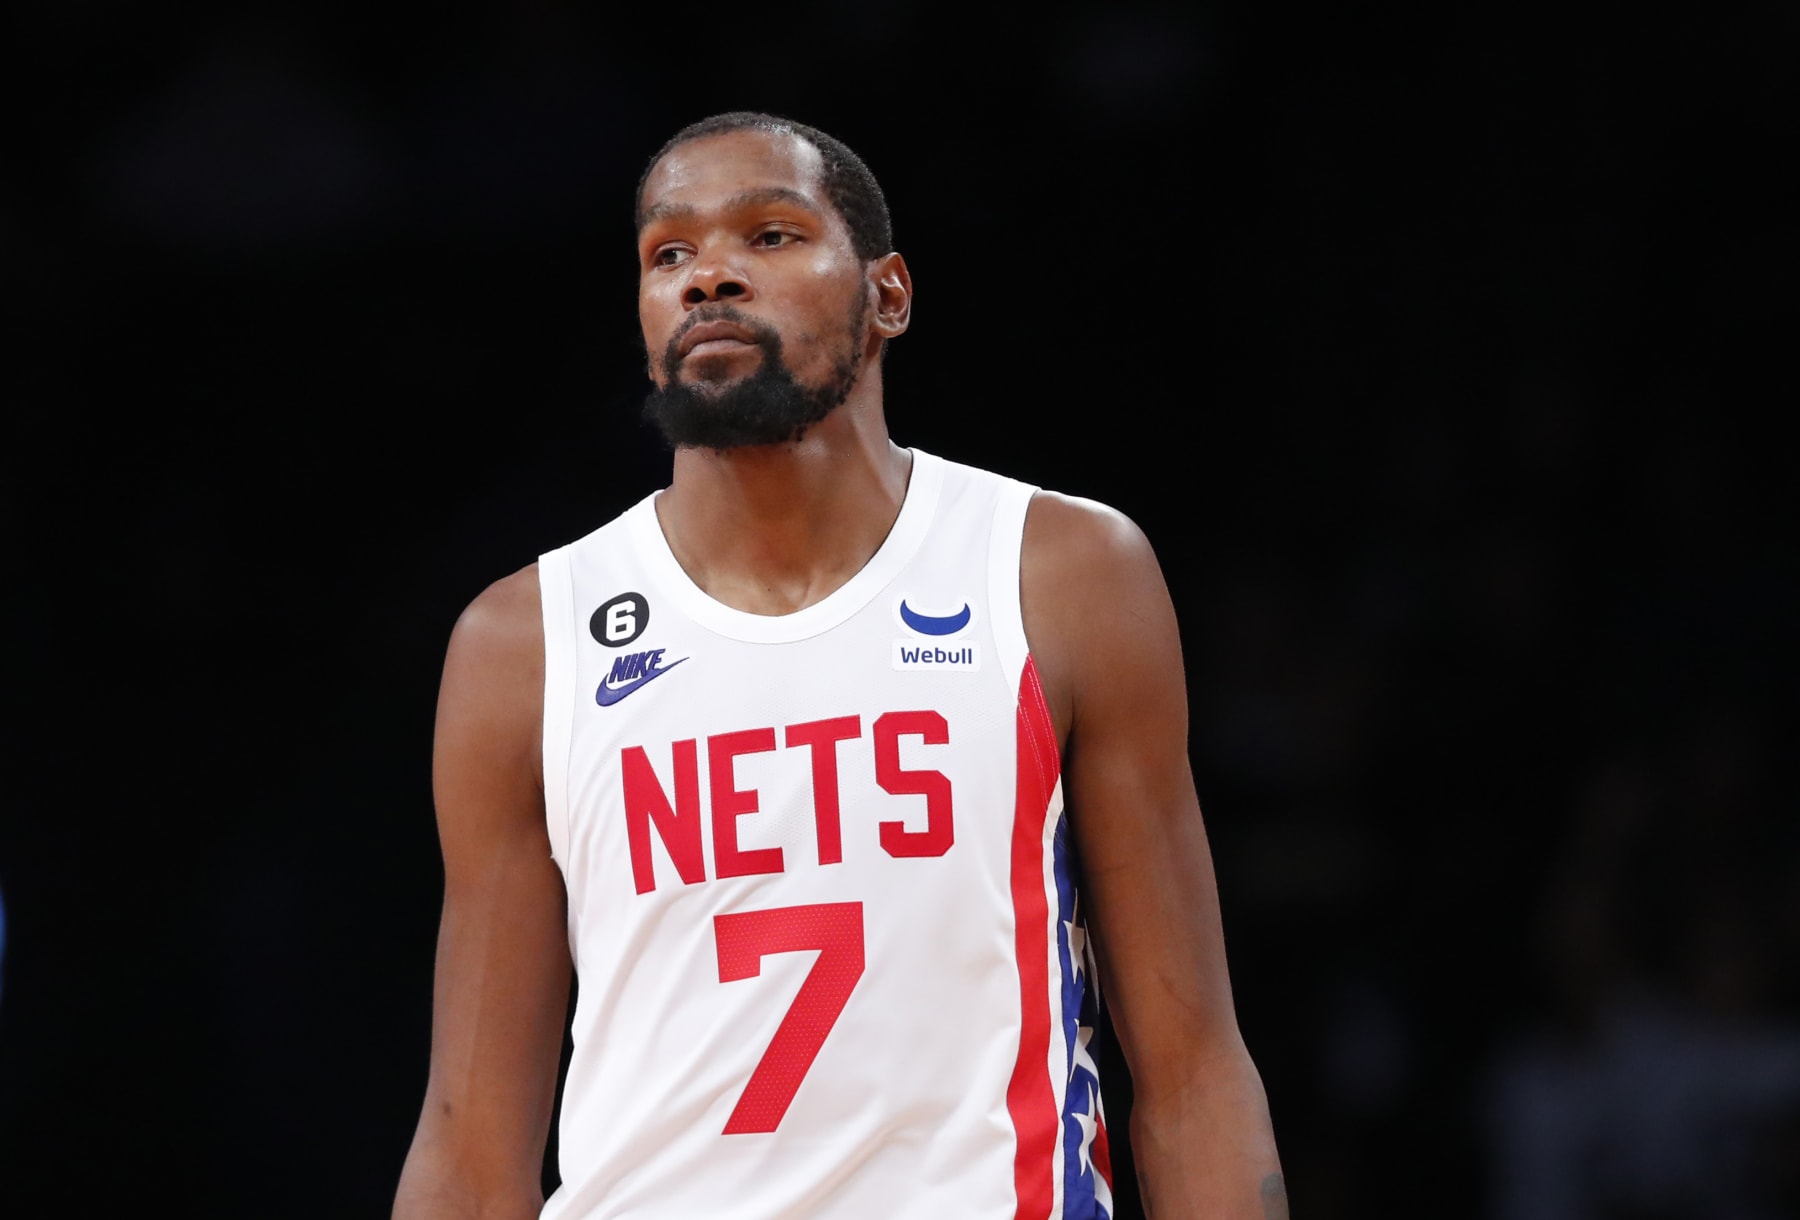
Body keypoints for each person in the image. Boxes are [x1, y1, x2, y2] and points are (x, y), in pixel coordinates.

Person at [393, 112, 1284, 1220]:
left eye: (770, 235)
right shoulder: (523, 641)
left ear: (889, 295)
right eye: (668, 254)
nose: (708, 275)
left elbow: (1192, 1068)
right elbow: (470, 1140)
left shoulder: (1056, 570)